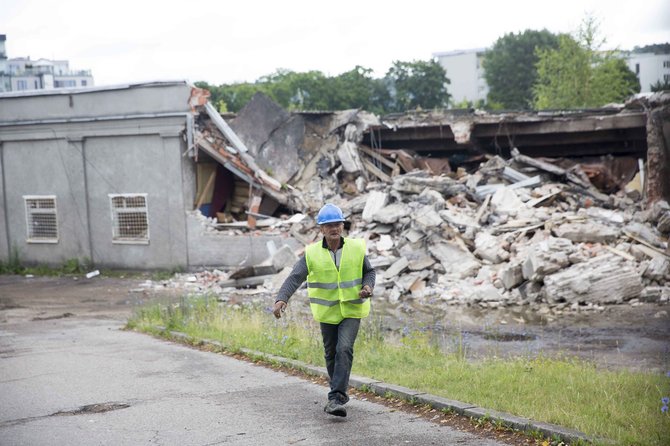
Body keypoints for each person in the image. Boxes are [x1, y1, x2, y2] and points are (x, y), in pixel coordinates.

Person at [272, 203, 376, 417]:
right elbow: (295, 277)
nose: (334, 228)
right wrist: (282, 299)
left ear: (343, 225)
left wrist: (368, 287)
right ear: (321, 229)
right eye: (329, 225)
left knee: (343, 348)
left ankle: (336, 397)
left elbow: (370, 272)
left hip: (351, 311)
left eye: (337, 224)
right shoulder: (311, 254)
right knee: (330, 353)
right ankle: (337, 392)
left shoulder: (356, 248)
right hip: (328, 313)